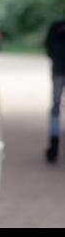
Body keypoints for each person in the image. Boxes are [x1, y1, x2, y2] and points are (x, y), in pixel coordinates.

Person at [45, 13, 65, 163]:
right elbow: (49, 46)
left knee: (55, 108)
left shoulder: (56, 27)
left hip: (58, 69)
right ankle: (54, 144)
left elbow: (49, 46)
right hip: (59, 70)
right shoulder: (57, 27)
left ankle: (54, 146)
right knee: (55, 107)